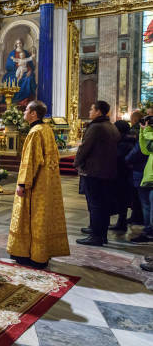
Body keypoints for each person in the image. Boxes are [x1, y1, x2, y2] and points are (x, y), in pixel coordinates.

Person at [7, 100, 70, 269]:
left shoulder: (35, 132)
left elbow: (31, 161)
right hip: (47, 182)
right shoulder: (47, 129)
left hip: (35, 183)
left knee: (31, 217)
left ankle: (30, 255)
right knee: (41, 218)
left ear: (34, 113)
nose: (24, 113)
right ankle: (41, 253)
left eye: (26, 110)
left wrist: (22, 183)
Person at [75, 101, 121, 246]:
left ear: (99, 112)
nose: (89, 112)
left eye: (91, 109)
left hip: (94, 172)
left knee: (95, 205)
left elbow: (85, 148)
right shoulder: (111, 126)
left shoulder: (96, 127)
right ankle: (101, 235)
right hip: (108, 172)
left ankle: (95, 236)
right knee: (103, 205)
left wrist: (76, 163)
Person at [109, 120, 135, 232]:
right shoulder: (128, 140)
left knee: (122, 200)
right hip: (124, 175)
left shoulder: (124, 143)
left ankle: (121, 223)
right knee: (122, 201)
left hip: (122, 176)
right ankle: (121, 222)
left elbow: (119, 158)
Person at [133, 116, 153, 243]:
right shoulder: (149, 134)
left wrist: (146, 131)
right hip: (149, 177)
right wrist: (142, 131)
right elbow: (145, 150)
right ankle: (148, 232)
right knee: (148, 210)